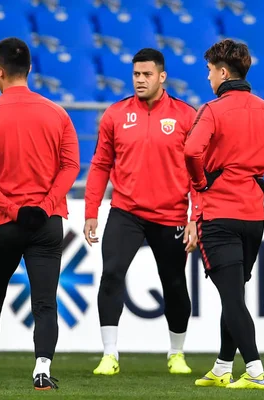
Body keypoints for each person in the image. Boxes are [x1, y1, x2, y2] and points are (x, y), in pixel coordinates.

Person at [184, 39, 264, 390]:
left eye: (210, 71)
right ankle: (223, 366)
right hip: (253, 217)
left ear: (223, 72)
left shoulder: (213, 110)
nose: (208, 78)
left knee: (231, 298)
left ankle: (255, 371)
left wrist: (200, 182)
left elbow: (191, 150)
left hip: (219, 216)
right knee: (236, 295)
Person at [0, 37, 80, 390]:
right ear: (30, 69)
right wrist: (45, 206)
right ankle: (42, 370)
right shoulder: (57, 113)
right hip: (46, 223)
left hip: (4, 223)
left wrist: (13, 209)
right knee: (46, 302)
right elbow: (71, 165)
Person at [84, 48, 199, 376]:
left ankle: (176, 354)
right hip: (126, 211)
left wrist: (195, 215)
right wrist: (91, 210)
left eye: (147, 75)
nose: (140, 80)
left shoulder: (185, 116)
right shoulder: (115, 114)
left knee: (175, 283)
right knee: (112, 273)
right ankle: (110, 354)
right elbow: (100, 164)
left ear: (162, 77)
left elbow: (198, 172)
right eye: (136, 74)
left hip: (171, 215)